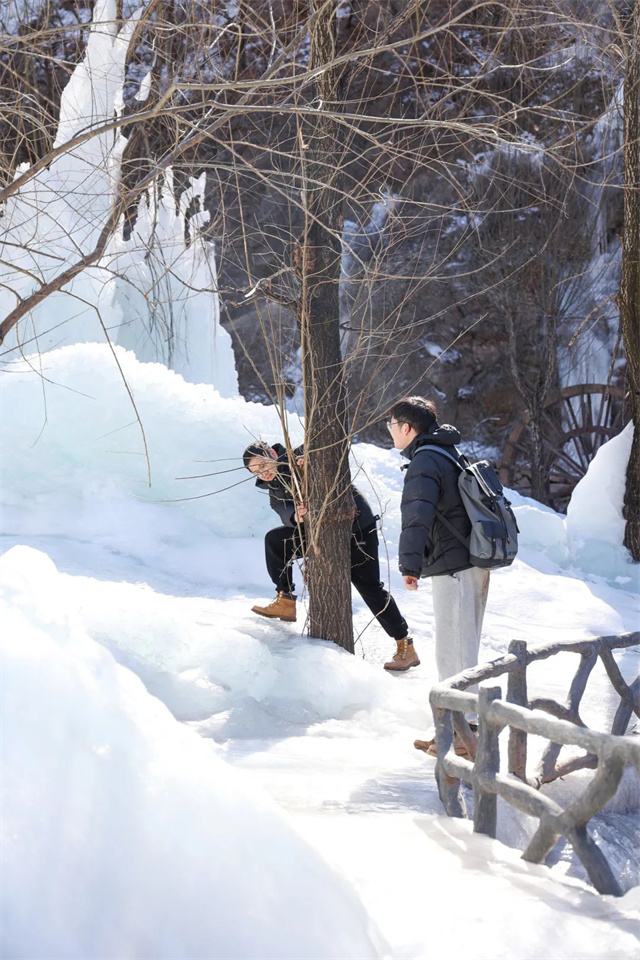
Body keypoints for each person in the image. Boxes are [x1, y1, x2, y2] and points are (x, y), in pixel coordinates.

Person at [242, 440, 418, 671]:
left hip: (356, 525)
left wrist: (311, 462)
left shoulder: (299, 455)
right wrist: (295, 516)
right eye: (256, 472)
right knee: (276, 540)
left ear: (273, 453)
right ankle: (285, 599)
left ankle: (405, 645)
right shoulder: (274, 488)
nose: (263, 473)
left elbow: (331, 449)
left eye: (263, 465)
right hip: (321, 532)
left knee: (369, 587)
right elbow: (283, 511)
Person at [387, 397, 490, 754]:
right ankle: (453, 730)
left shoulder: (425, 460)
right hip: (469, 561)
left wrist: (410, 565)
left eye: (392, 426)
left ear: (406, 428)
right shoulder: (447, 451)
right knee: (462, 647)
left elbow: (417, 515)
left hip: (455, 566)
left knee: (455, 651)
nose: (390, 432)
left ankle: (465, 735)